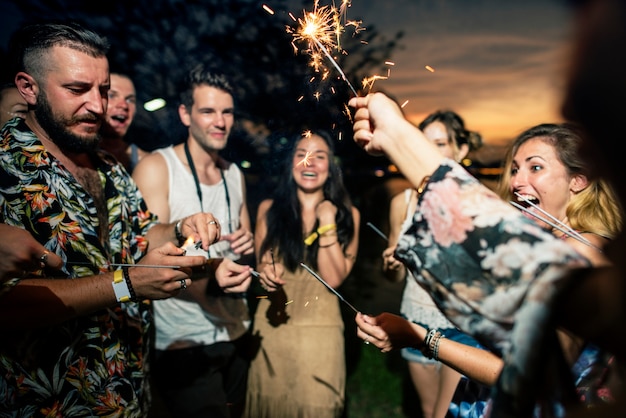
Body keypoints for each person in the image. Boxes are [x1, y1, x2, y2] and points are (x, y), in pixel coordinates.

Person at [0, 22, 254, 416]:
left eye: (102, 90)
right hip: (51, 403)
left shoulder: (106, 166)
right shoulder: (5, 168)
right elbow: (8, 305)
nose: (98, 106)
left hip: (127, 392)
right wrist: (125, 285)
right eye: (77, 89)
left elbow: (142, 233)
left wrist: (181, 227)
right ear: (28, 87)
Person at [348, 72, 626, 416]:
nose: (516, 182)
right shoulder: (551, 241)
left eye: (535, 167)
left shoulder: (585, 250)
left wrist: (424, 339)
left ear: (578, 181)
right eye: (514, 168)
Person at [132, 66, 255, 418]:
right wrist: (181, 227)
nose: (220, 121)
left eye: (227, 112)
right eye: (208, 111)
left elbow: (243, 246)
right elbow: (146, 243)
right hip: (185, 341)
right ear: (185, 114)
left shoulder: (234, 173)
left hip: (237, 329)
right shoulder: (158, 166)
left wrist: (251, 247)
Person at [244, 130, 360, 418]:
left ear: (330, 166)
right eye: (302, 155)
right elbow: (262, 265)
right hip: (273, 328)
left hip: (322, 334)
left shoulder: (348, 215)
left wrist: (327, 220)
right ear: (291, 164)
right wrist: (266, 273)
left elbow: (333, 279)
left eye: (319, 157)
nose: (310, 163)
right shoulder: (268, 210)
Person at [382, 110, 485, 418]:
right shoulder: (401, 203)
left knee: (448, 414)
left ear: (460, 149)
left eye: (439, 143)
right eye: (424, 144)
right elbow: (393, 275)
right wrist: (392, 263)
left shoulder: (477, 202)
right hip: (414, 319)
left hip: (459, 325)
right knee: (429, 412)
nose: (429, 153)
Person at [99, 72, 145, 172]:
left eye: (130, 100)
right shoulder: (73, 157)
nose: (124, 105)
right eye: (111, 96)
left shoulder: (145, 163)